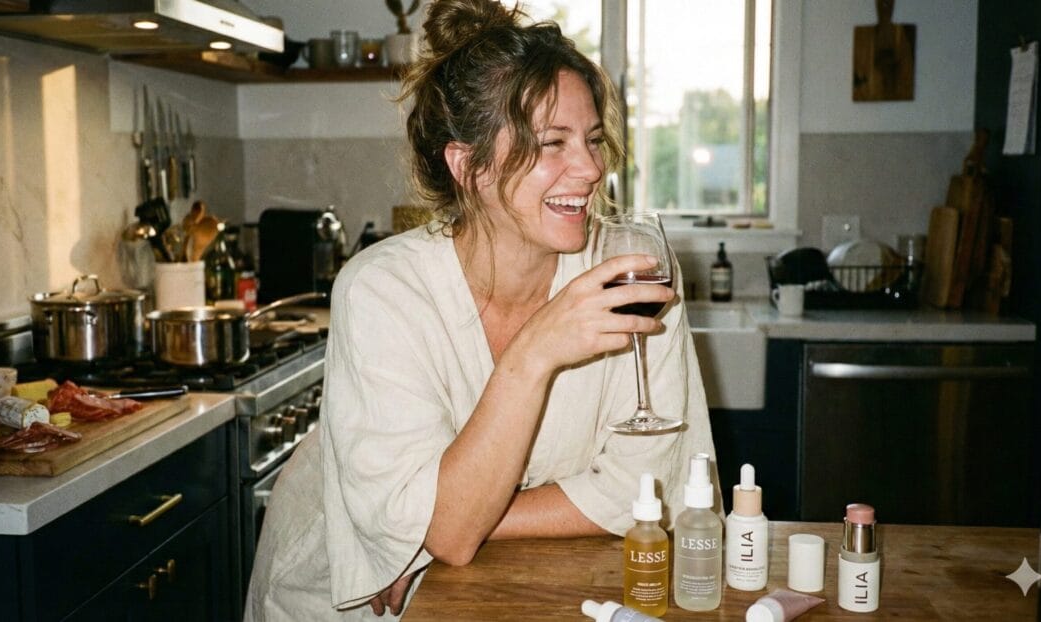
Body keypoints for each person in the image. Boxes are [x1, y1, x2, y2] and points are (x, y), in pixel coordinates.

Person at [244, 1, 718, 619]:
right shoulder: (383, 290)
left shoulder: (633, 267)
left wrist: (443, 524)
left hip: (511, 583)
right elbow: (446, 529)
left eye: (594, 139)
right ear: (468, 166)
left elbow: (649, 489)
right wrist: (534, 353)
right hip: (347, 595)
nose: (594, 167)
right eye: (553, 143)